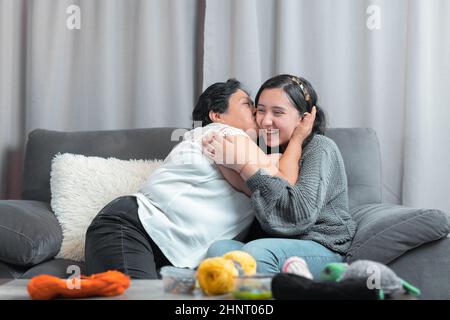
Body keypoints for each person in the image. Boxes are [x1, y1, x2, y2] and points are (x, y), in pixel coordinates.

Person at [84, 79, 259, 279]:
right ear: (217, 116)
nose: (255, 111)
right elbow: (274, 187)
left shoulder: (248, 150)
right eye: (247, 104)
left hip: (160, 247)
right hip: (130, 228)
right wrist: (298, 141)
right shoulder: (222, 133)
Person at [204, 74, 357, 278]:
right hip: (271, 242)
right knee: (219, 250)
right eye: (260, 110)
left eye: (278, 112)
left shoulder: (321, 148)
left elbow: (298, 216)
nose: (265, 121)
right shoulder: (262, 148)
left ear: (303, 119)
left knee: (257, 254)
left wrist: (245, 166)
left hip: (321, 244)